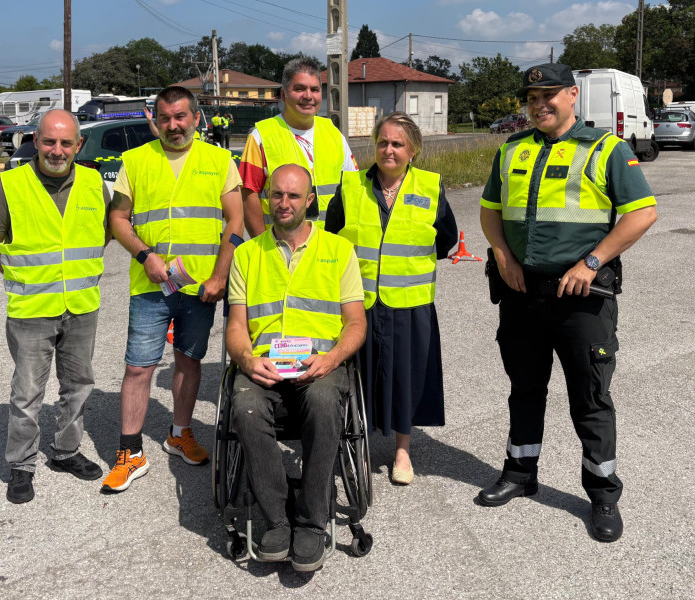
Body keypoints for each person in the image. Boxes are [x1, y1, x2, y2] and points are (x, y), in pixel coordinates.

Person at [478, 63, 657, 542]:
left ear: (572, 96)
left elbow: (643, 212)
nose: (538, 104)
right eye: (532, 97)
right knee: (524, 388)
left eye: (548, 95)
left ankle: (602, 494)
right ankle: (520, 472)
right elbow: (490, 211)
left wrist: (593, 262)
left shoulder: (606, 149)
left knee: (591, 397)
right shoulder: (512, 148)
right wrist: (502, 256)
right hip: (520, 293)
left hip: (580, 297)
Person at [101, 86, 243, 492]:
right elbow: (119, 220)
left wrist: (219, 277)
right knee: (138, 367)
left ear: (196, 118)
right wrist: (145, 255)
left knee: (188, 361)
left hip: (200, 288)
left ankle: (179, 434)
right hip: (150, 285)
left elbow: (235, 221)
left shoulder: (219, 160)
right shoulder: (136, 160)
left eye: (180, 116)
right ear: (155, 120)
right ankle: (130, 452)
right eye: (164, 118)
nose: (173, 125)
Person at [226, 164, 366, 571]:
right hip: (264, 363)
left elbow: (356, 323)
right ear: (267, 198)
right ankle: (275, 520)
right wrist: (248, 359)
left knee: (324, 405)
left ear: (309, 201)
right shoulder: (248, 254)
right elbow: (236, 327)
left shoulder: (338, 251)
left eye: (292, 196)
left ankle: (310, 520)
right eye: (276, 195)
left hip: (320, 364)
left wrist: (332, 358)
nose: (283, 203)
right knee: (246, 408)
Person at [0, 109, 111, 504]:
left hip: (82, 306)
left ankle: (66, 451)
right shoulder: (10, 184)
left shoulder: (94, 184)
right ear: (35, 141)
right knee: (28, 392)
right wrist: (22, 278)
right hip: (31, 310)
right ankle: (21, 464)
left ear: (78, 145)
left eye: (66, 142)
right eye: (49, 141)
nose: (57, 150)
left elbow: (103, 236)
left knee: (78, 386)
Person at [326, 112, 458, 486]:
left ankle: (403, 451)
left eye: (397, 143)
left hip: (409, 302)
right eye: (383, 142)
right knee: (357, 377)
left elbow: (446, 238)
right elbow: (332, 236)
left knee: (405, 377)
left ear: (412, 149)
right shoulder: (351, 186)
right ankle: (357, 443)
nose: (388, 149)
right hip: (359, 302)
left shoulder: (430, 187)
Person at [239, 56, 357, 237]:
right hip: (281, 247)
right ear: (284, 95)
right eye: (299, 88)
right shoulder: (261, 136)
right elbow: (248, 198)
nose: (308, 96)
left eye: (315, 89)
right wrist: (264, 246)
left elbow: (353, 188)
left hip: (327, 248)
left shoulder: (333, 134)